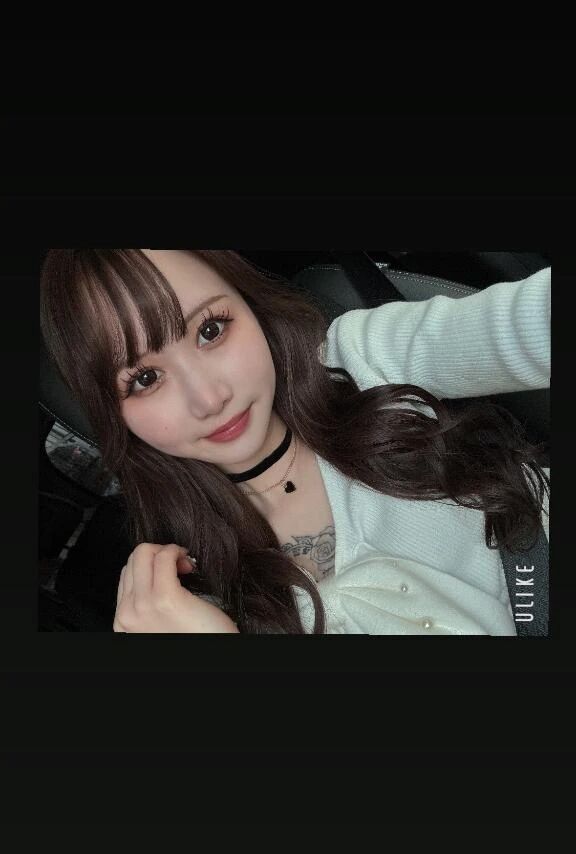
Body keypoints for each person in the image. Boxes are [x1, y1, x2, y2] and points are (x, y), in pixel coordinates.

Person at [40, 249, 550, 635]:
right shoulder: (182, 594)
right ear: (113, 413)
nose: (209, 398)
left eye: (211, 330)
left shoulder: (362, 362)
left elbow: (525, 325)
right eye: (146, 379)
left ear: (249, 303)